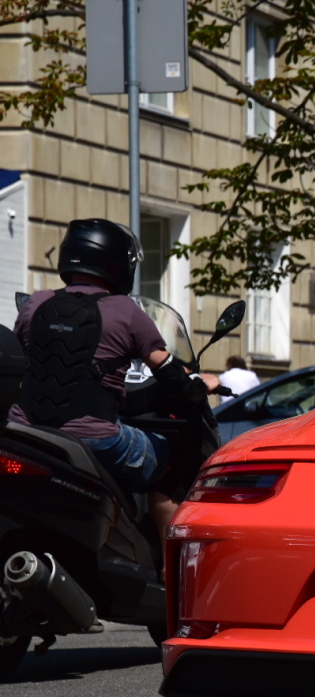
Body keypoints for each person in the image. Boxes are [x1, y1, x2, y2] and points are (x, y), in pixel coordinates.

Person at [7, 219, 215, 540]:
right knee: (172, 458)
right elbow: (170, 373)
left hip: (26, 433)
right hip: (96, 441)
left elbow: (21, 358)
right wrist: (199, 388)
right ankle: (168, 565)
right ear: (118, 262)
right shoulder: (127, 311)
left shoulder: (36, 303)